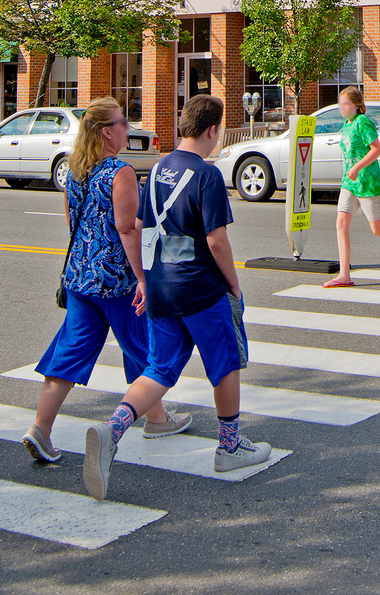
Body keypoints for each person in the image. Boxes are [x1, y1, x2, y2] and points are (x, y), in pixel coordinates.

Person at [83, 95, 270, 500]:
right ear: (212, 130)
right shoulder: (208, 175)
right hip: (200, 289)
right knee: (225, 364)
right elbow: (217, 240)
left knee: (160, 368)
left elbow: (139, 226)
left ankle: (112, 427)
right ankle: (230, 446)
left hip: (161, 286)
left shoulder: (158, 168)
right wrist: (234, 285)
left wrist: (145, 281)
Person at [22, 99, 190, 466]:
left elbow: (72, 222)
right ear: (105, 130)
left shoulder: (75, 169)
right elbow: (128, 229)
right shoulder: (119, 171)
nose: (127, 128)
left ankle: (41, 427)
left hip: (81, 278)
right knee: (146, 350)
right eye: (122, 123)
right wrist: (143, 279)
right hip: (116, 280)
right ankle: (155, 418)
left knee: (68, 352)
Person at [323, 86, 380, 288]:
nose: (342, 108)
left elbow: (376, 149)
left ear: (357, 105)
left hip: (366, 181)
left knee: (377, 228)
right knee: (341, 223)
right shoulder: (347, 124)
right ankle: (344, 274)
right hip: (349, 182)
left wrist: (357, 167)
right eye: (340, 104)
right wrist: (349, 171)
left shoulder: (363, 122)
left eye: (346, 104)